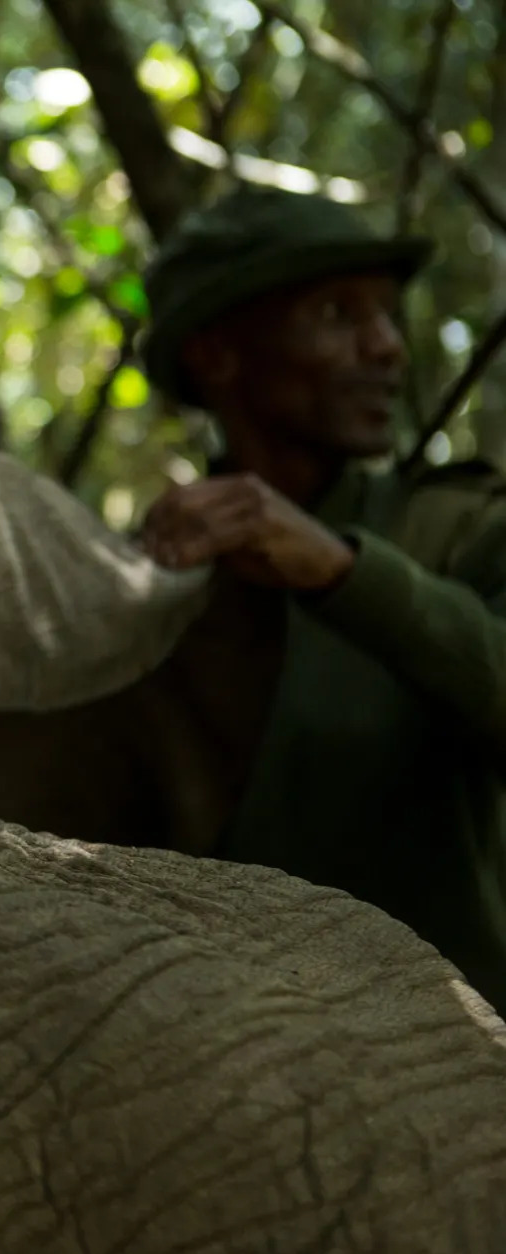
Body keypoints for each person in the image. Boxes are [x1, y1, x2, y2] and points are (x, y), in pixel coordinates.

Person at [136, 185, 506, 1009]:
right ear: (217, 356)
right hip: (216, 1061)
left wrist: (345, 572)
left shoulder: (459, 529)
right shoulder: (151, 585)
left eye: (387, 314)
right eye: (339, 314)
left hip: (456, 1060)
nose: (388, 349)